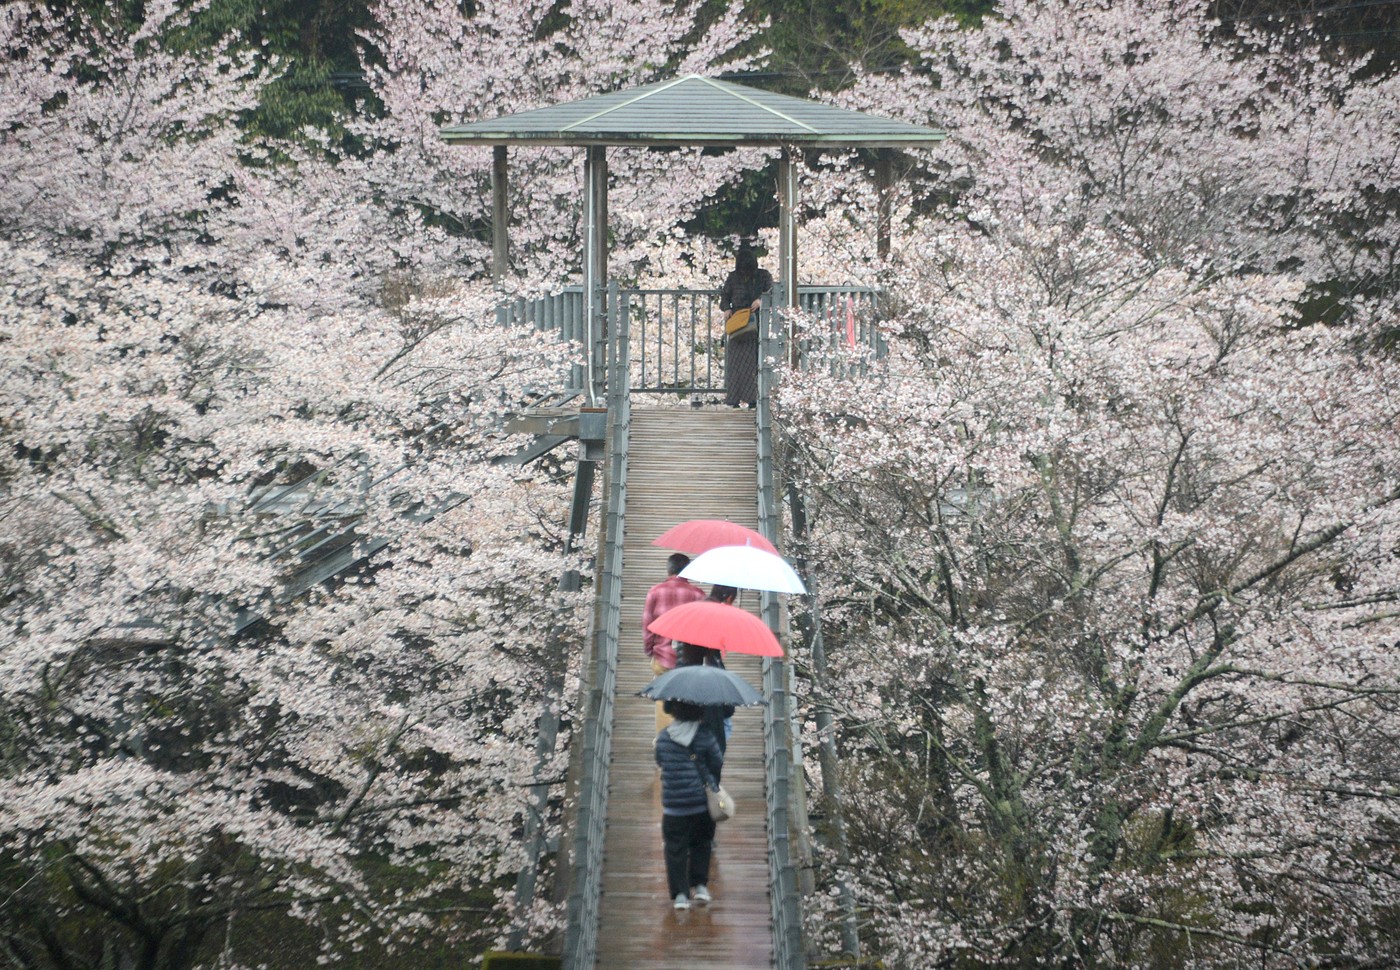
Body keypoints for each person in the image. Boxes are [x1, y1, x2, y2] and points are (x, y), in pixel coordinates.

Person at [655, 700, 723, 910]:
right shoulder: (704, 735)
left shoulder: (664, 737)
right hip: (700, 803)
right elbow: (717, 761)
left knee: (675, 848)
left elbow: (659, 760)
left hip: (673, 804)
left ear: (672, 712)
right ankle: (700, 886)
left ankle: (680, 896)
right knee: (702, 843)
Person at [642, 553, 706, 732]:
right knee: (688, 697)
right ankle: (687, 738)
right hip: (689, 657)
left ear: (668, 569)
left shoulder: (655, 591)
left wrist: (650, 650)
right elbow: (704, 627)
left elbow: (647, 625)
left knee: (663, 696)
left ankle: (664, 739)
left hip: (663, 654)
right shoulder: (698, 594)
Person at [719, 245, 773, 409]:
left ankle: (751, 398)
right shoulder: (734, 277)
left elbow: (771, 292)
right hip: (741, 321)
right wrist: (726, 307)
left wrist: (761, 301)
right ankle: (736, 398)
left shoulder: (762, 276)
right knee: (738, 363)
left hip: (753, 322)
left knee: (750, 362)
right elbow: (724, 295)